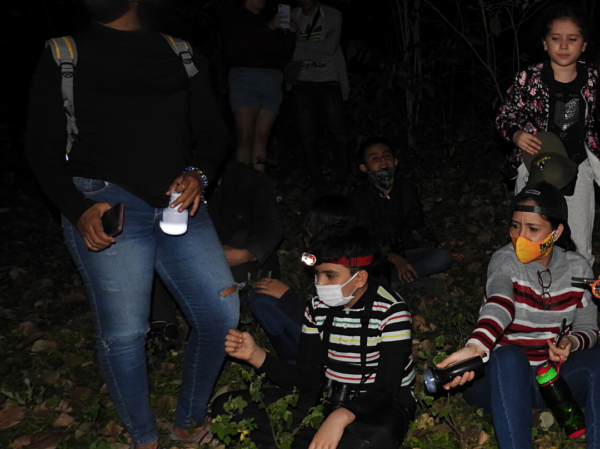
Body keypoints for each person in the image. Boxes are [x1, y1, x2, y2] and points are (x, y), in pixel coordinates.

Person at [25, 1, 239, 448]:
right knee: (124, 333)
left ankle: (188, 422)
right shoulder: (64, 53)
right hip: (102, 204)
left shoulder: (180, 52)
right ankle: (144, 439)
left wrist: (199, 173)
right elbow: (41, 145)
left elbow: (213, 130)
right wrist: (76, 208)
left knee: (220, 314)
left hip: (179, 203)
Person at [219, 222, 416, 449]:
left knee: (375, 439)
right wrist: (255, 356)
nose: (319, 284)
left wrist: (340, 417)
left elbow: (386, 389)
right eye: (318, 274)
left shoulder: (391, 312)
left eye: (330, 275)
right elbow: (306, 379)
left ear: (360, 278)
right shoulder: (317, 308)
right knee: (227, 407)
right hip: (329, 395)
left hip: (379, 404)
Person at [437, 181, 600, 449]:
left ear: (557, 232)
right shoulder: (505, 260)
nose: (520, 237)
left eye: (533, 229)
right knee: (509, 356)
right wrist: (476, 346)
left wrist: (570, 342)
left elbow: (589, 328)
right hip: (501, 382)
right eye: (515, 226)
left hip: (553, 381)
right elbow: (500, 303)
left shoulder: (578, 268)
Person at [496, 3, 600, 266]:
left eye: (572, 39)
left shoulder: (592, 80)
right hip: (534, 165)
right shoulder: (528, 79)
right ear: (544, 43)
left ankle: (577, 286)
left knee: (578, 238)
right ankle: (529, 282)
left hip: (578, 167)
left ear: (584, 45)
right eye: (555, 38)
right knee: (531, 231)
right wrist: (516, 134)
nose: (563, 45)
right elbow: (504, 116)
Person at [348, 137, 463, 285]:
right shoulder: (359, 196)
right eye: (375, 158)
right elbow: (364, 238)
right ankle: (399, 278)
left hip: (405, 252)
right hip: (375, 257)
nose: (383, 160)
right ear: (364, 167)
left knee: (443, 257)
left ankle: (400, 277)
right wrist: (394, 259)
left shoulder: (406, 189)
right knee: (363, 269)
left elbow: (417, 224)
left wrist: (439, 247)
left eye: (387, 156)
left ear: (395, 161)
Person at [221, 0, 297, 171]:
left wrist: (291, 34)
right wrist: (268, 27)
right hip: (245, 79)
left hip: (272, 81)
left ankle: (258, 183)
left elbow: (285, 55)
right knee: (245, 137)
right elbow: (240, 44)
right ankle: (242, 182)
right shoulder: (235, 16)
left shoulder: (270, 19)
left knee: (262, 138)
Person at [289, 0, 350, 186]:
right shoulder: (288, 15)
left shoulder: (333, 14)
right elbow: (286, 52)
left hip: (329, 80)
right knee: (307, 135)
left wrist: (298, 43)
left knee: (340, 133)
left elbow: (330, 48)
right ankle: (318, 183)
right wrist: (320, 46)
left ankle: (344, 181)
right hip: (301, 81)